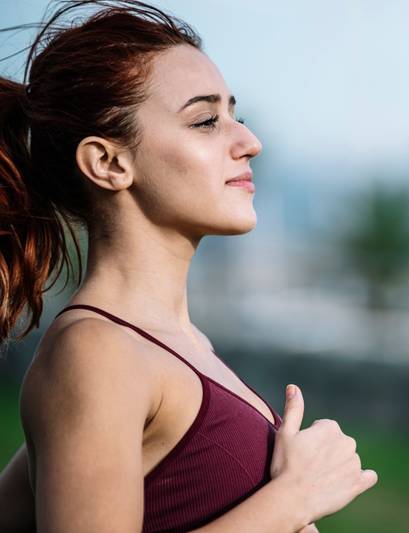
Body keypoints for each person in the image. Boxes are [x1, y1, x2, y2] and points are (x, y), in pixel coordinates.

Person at [0, 1, 378, 531]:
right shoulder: (96, 352)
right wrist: (293, 499)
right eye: (205, 121)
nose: (250, 142)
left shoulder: (176, 345)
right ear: (108, 163)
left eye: (236, 117)